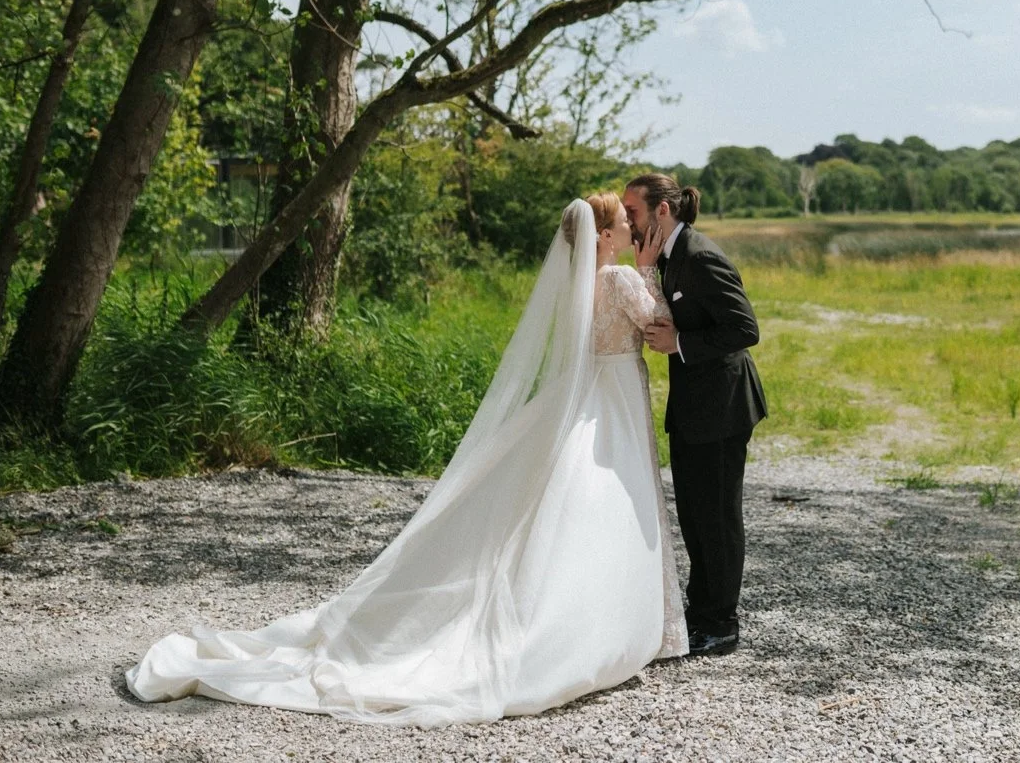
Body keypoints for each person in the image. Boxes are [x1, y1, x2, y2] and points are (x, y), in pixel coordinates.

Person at [125, 195, 687, 726]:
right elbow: (654, 318)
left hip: (586, 392)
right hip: (609, 397)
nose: (633, 232)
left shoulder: (577, 284)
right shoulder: (616, 277)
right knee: (602, 505)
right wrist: (649, 270)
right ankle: (594, 626)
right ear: (607, 235)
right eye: (625, 226)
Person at [622, 174, 767, 657]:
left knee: (718, 519)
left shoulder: (701, 255)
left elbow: (745, 328)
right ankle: (699, 610)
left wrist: (679, 344)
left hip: (723, 409)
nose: (628, 220)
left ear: (663, 211)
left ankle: (721, 624)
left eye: (634, 211)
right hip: (691, 410)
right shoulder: (665, 257)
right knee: (693, 516)